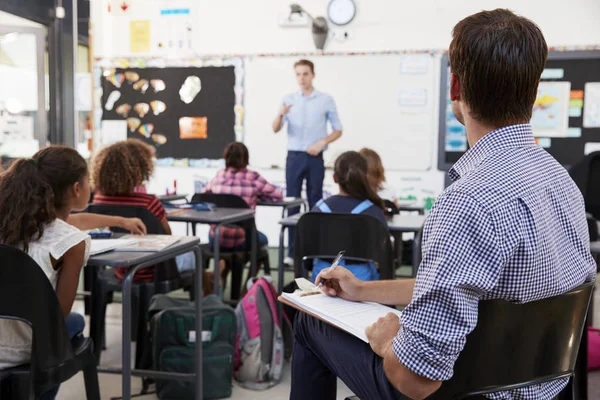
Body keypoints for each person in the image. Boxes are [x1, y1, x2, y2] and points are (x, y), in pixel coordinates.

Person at [291, 9, 596, 400]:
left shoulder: (468, 201)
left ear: (454, 87)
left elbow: (416, 380)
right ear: (534, 92)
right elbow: (460, 287)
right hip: (546, 390)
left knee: (309, 322)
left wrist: (387, 341)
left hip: (459, 392)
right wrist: (363, 291)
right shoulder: (562, 182)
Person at [0, 146, 143, 400]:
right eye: (88, 180)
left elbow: (72, 221)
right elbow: (58, 315)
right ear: (77, 188)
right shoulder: (72, 242)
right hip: (27, 350)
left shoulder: (10, 221)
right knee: (74, 321)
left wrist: (120, 221)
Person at [272, 59, 343, 267]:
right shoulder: (288, 100)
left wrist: (322, 142)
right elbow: (275, 128)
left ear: (313, 75)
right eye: (298, 74)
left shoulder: (325, 100)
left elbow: (338, 129)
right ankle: (291, 253)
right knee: (293, 203)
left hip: (314, 156)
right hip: (294, 156)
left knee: (315, 203)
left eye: (305, 73)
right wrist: (280, 114)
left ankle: (313, 252)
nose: (301, 78)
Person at [92, 139, 194, 281]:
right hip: (156, 269)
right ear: (141, 169)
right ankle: (207, 294)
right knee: (195, 254)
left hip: (120, 269)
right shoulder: (149, 203)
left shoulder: (98, 200)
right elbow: (168, 236)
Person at [202, 142, 283, 285]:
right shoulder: (252, 177)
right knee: (261, 243)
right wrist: (257, 195)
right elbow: (277, 195)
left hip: (217, 238)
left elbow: (203, 196)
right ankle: (245, 289)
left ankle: (222, 269)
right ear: (246, 159)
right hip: (242, 239)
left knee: (222, 234)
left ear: (226, 158)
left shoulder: (219, 176)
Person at [310, 151, 386, 282]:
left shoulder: (318, 209)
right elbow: (383, 253)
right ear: (365, 177)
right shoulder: (373, 211)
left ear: (335, 178)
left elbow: (309, 251)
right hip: (361, 280)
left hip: (323, 277)